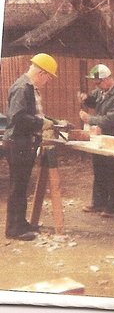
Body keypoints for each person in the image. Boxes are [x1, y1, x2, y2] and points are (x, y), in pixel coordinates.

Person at [3, 53, 58, 241]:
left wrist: (50, 121)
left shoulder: (29, 88)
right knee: (18, 187)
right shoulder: (22, 88)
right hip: (18, 143)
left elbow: (31, 114)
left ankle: (21, 223)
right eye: (49, 78)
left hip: (24, 142)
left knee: (22, 185)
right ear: (42, 73)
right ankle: (13, 229)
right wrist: (41, 124)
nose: (48, 82)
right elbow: (17, 117)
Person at [80, 64, 114, 218]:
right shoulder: (102, 91)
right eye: (95, 83)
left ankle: (112, 208)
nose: (96, 86)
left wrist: (90, 119)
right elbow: (94, 101)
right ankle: (98, 202)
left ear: (108, 79)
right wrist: (86, 99)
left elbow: (111, 119)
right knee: (99, 169)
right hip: (101, 136)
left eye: (98, 82)